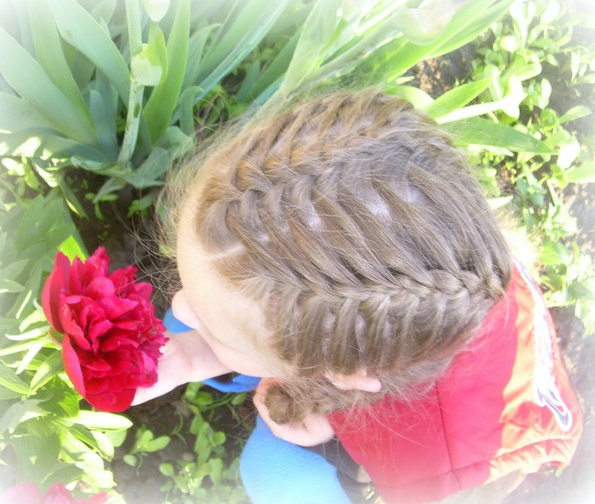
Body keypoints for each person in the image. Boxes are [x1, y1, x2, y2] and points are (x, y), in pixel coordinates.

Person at [133, 90, 582, 503]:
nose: (177, 302)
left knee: (275, 473)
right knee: (194, 321)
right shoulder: (427, 235)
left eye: (217, 331)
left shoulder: (443, 467)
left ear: (334, 372)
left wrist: (331, 435)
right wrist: (191, 355)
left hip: (452, 435)